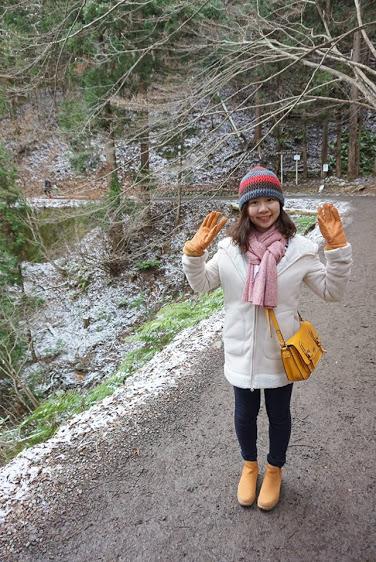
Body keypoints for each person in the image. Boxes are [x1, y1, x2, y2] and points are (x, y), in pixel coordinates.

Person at [182, 166, 352, 511]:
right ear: (245, 207)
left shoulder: (300, 249)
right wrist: (193, 256)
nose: (263, 209)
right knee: (244, 415)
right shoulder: (230, 249)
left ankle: (274, 469)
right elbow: (201, 285)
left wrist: (337, 250)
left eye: (270, 200)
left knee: (279, 414)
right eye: (255, 202)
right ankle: (249, 466)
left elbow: (331, 291)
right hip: (241, 352)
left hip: (280, 353)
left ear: (280, 203)